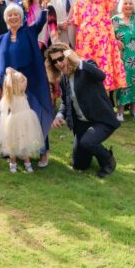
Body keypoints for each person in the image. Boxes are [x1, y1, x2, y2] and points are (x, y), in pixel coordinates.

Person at [0, 3, 54, 167]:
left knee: (35, 116)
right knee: (12, 120)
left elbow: (41, 20)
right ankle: (14, 151)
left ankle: (43, 152)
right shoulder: (1, 38)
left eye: (16, 14)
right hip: (8, 88)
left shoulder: (29, 32)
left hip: (30, 84)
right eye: (10, 15)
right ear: (6, 18)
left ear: (22, 18)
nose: (13, 17)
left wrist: (42, 2)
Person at [48, 45, 119, 179]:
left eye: (61, 58)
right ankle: (90, 146)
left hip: (101, 120)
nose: (58, 63)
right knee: (79, 165)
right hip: (82, 124)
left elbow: (101, 75)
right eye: (54, 61)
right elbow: (65, 101)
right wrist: (59, 115)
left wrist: (78, 61)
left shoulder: (86, 66)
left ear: (68, 56)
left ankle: (108, 160)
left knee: (87, 142)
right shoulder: (64, 78)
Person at [72, 0, 127, 94]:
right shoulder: (79, 6)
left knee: (104, 76)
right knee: (88, 77)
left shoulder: (103, 1)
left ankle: (105, 109)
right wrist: (75, 47)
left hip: (103, 47)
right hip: (86, 47)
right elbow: (76, 27)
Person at [0, 68, 45, 174]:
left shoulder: (23, 94)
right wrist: (10, 75)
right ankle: (12, 163)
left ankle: (27, 163)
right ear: (15, 85)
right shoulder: (10, 96)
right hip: (14, 124)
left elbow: (25, 78)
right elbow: (8, 85)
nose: (25, 84)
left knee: (24, 143)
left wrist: (12, 71)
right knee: (13, 144)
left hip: (25, 122)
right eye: (22, 82)